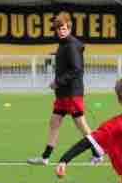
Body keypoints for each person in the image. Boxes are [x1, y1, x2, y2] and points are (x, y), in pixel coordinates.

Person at [28, 12, 93, 165]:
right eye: (58, 29)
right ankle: (45, 157)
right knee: (54, 123)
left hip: (72, 93)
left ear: (69, 28)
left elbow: (76, 69)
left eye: (63, 28)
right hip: (63, 94)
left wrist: (58, 82)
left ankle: (97, 152)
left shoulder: (71, 45)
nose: (61, 31)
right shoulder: (63, 44)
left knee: (81, 125)